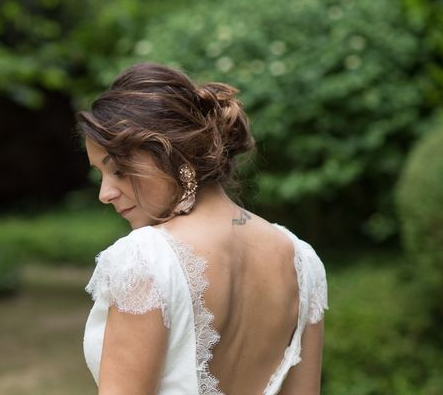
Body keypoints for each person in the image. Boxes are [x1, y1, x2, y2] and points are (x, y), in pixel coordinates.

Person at [78, 62, 328, 395]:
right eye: (101, 175)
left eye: (119, 171)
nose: (105, 194)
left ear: (176, 156)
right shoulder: (302, 260)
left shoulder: (145, 260)